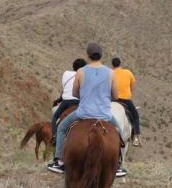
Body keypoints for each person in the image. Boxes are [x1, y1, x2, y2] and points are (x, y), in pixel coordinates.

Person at [47, 42, 127, 177]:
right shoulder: (110, 73)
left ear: (88, 56)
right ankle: (118, 164)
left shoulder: (80, 72)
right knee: (119, 131)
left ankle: (59, 161)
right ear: (102, 55)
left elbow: (75, 93)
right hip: (105, 114)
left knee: (61, 128)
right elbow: (115, 95)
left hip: (83, 113)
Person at [50, 58, 86, 143]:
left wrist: (58, 100)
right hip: (79, 102)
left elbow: (65, 90)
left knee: (55, 117)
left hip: (66, 102)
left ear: (73, 66)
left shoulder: (66, 73)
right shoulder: (85, 76)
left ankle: (55, 137)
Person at [111, 57, 141, 146]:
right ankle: (136, 137)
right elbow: (132, 86)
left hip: (112, 99)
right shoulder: (128, 73)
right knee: (135, 115)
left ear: (112, 65)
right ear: (120, 64)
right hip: (125, 100)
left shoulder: (110, 73)